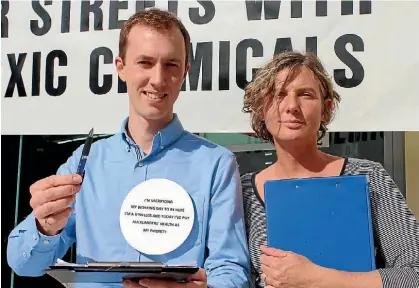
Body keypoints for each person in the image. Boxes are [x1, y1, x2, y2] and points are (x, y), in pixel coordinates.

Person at [7, 8, 250, 288]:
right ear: (120, 67)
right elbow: (24, 264)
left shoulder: (216, 164)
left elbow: (231, 271)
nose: (158, 79)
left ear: (185, 72)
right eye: (145, 62)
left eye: (171, 65)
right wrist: (43, 226)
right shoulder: (86, 163)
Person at [241, 51, 419, 288]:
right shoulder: (242, 191)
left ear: (326, 108)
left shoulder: (367, 176)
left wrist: (315, 278)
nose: (292, 106)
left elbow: (414, 273)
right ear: (261, 109)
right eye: (278, 94)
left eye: (305, 94)